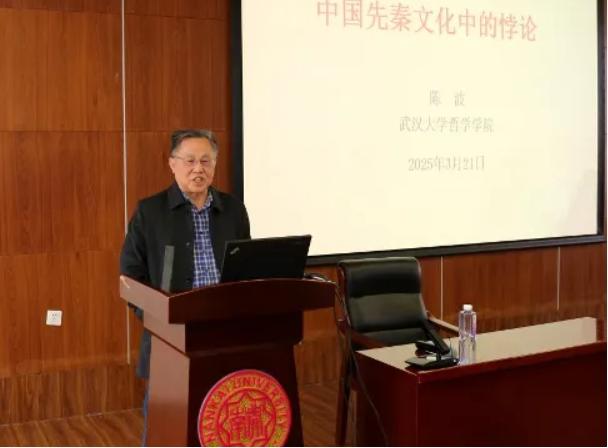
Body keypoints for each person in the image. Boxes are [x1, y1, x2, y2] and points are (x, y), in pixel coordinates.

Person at [119, 129, 250, 445]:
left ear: (215, 165)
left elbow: (246, 267)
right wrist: (156, 318)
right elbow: (131, 276)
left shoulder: (234, 210)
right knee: (167, 424)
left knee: (224, 417)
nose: (198, 169)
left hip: (225, 331)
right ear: (172, 164)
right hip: (171, 333)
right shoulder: (150, 212)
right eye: (190, 160)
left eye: (206, 161)